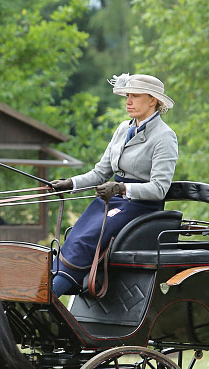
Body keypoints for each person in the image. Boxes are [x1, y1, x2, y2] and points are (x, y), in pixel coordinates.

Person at [49, 74, 178, 296]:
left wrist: (122, 189)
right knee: (74, 236)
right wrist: (70, 184)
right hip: (111, 201)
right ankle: (50, 285)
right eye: (127, 95)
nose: (128, 101)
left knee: (85, 239)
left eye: (135, 96)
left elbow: (159, 188)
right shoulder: (122, 129)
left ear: (153, 100)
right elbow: (100, 173)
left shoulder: (165, 137)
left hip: (141, 207)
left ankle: (52, 294)